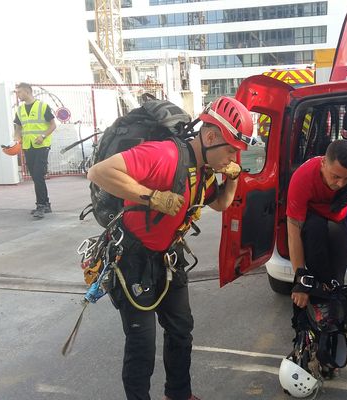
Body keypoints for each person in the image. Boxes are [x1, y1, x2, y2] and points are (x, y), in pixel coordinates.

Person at [87, 96, 256, 400]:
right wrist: (151, 197)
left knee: (181, 330)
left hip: (169, 255)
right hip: (133, 259)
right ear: (210, 136)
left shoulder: (204, 169)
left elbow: (220, 204)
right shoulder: (164, 155)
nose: (233, 156)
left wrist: (231, 179)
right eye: (230, 148)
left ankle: (179, 394)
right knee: (142, 344)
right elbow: (98, 173)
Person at [287, 139, 347, 315]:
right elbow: (293, 229)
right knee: (316, 229)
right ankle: (319, 301)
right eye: (335, 176)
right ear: (323, 162)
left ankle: (334, 296)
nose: (340, 184)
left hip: (337, 219)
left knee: (339, 248)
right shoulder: (302, 177)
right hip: (310, 221)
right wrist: (300, 277)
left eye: (346, 178)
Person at [13, 82, 57, 219]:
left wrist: (43, 136)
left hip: (42, 146)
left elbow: (53, 125)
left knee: (38, 175)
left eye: (19, 92)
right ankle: (46, 204)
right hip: (28, 146)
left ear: (27, 91)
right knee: (35, 176)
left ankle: (41, 205)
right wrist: (16, 139)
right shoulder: (20, 110)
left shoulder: (42, 106)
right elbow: (18, 127)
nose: (18, 94)